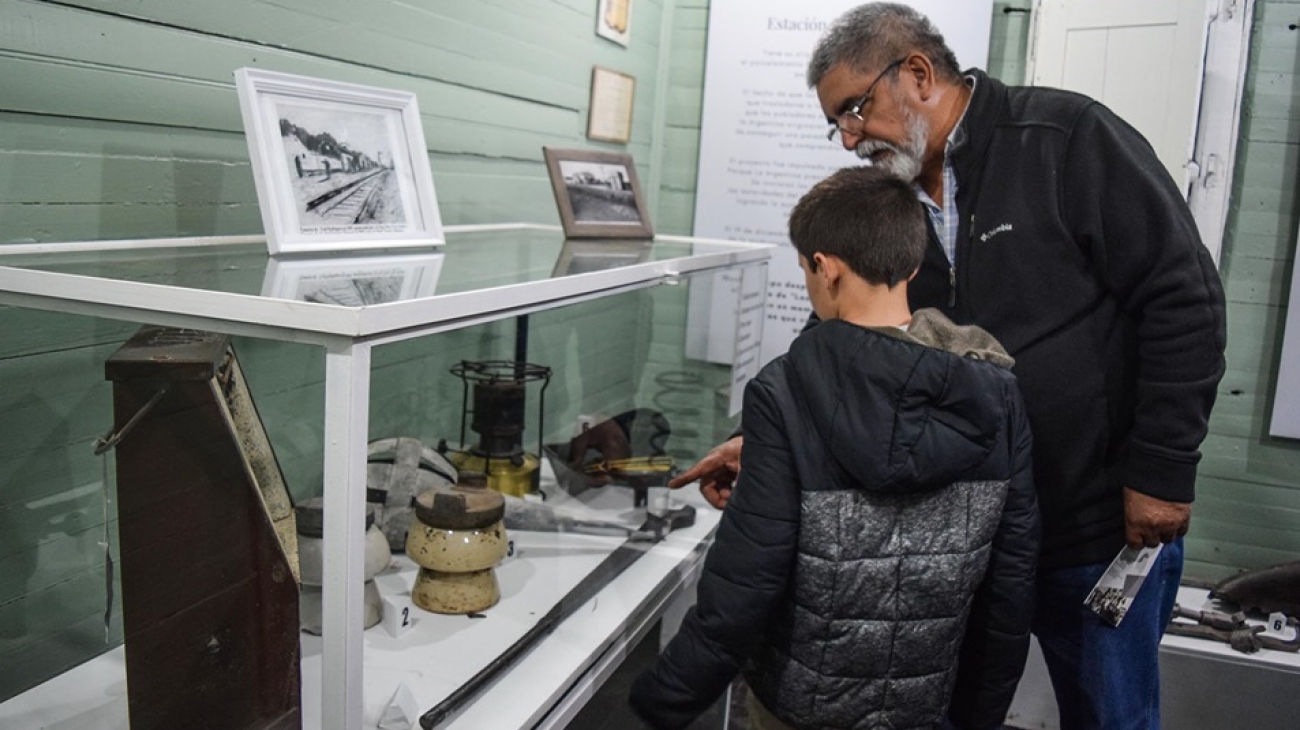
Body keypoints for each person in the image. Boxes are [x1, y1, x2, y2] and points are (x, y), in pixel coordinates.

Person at [671, 4, 1227, 729]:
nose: (847, 137)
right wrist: (770, 439)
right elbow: (841, 327)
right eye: (836, 122)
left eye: (854, 109)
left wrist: (1160, 472)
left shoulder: (1068, 138)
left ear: (919, 73)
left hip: (1094, 528)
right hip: (967, 541)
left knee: (1111, 716)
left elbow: (1185, 299)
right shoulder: (893, 197)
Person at [630, 166, 1039, 730]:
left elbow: (744, 588)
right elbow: (1011, 583)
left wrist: (657, 702)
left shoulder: (786, 390)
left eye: (805, 270)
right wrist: (981, 715)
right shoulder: (998, 391)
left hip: (798, 709)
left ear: (825, 268)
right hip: (926, 709)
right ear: (912, 265)